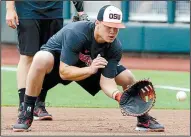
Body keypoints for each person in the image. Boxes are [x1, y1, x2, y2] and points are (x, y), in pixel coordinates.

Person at [12, 5, 165, 132]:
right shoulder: (77, 33)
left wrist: (118, 96)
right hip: (59, 66)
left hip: (88, 67)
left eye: (116, 28)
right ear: (97, 23)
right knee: (40, 58)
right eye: (108, 27)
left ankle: (143, 119)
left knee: (128, 77)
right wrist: (90, 70)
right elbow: (64, 72)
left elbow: (107, 81)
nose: (112, 32)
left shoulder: (115, 46)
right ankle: (27, 112)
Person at [6, 1, 89, 121]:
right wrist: (10, 8)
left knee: (50, 57)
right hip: (27, 9)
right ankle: (24, 105)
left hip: (54, 10)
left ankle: (39, 104)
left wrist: (80, 10)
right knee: (28, 56)